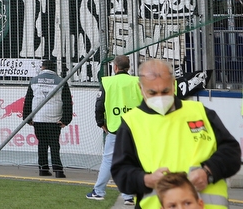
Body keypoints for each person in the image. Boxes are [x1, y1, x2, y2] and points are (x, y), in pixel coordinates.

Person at [112, 59, 241, 209]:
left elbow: (231, 153)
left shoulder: (200, 112)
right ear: (140, 88)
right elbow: (121, 172)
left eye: (165, 90)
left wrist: (208, 172)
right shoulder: (131, 122)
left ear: (174, 84)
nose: (160, 97)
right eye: (152, 92)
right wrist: (146, 179)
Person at [87, 55, 142, 203]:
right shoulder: (137, 81)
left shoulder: (108, 82)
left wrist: (100, 122)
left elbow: (99, 105)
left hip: (115, 128)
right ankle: (128, 196)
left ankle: (99, 191)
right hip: (135, 128)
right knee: (131, 162)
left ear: (115, 67)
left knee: (108, 160)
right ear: (129, 67)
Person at [23, 58, 73, 178]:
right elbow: (67, 101)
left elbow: (28, 100)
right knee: (54, 144)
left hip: (38, 118)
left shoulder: (34, 81)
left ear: (43, 67)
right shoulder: (61, 81)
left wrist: (27, 117)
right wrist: (66, 119)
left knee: (42, 143)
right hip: (54, 119)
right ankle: (58, 170)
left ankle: (43, 168)